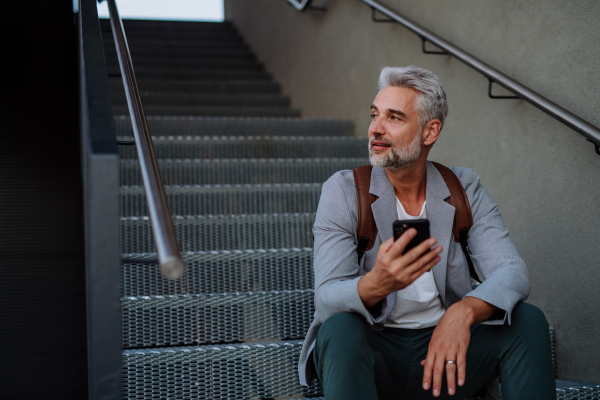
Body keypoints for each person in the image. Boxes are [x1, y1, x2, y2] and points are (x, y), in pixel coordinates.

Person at [297, 66, 556, 399]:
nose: (375, 129)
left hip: (445, 354)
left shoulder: (463, 187)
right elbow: (327, 297)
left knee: (527, 321)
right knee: (340, 327)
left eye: (394, 118)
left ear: (429, 131)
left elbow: (511, 271)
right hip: (375, 356)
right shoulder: (345, 191)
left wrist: (463, 313)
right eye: (374, 115)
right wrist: (376, 284)